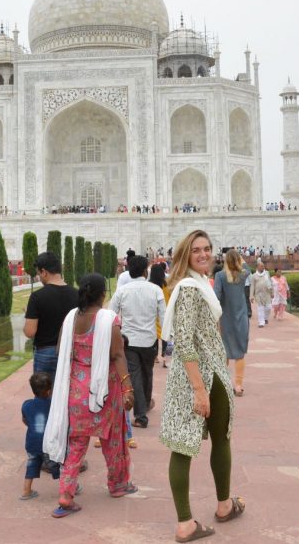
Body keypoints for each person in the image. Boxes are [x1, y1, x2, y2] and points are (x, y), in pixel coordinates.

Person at [160, 230, 244, 542]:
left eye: (207, 248)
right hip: (199, 377)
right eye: (196, 250)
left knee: (190, 444)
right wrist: (198, 388)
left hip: (202, 375)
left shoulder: (199, 284)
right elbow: (183, 341)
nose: (204, 254)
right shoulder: (191, 289)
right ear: (186, 255)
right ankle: (196, 518)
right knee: (197, 445)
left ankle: (220, 506)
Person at [43, 273, 136, 519]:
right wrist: (128, 388)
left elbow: (61, 350)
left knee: (75, 446)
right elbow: (117, 356)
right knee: (113, 441)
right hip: (104, 390)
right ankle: (117, 485)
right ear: (103, 294)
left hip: (76, 393)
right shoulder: (109, 320)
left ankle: (66, 494)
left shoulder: (71, 319)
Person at [109, 254, 166, 429]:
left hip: (129, 339)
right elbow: (163, 317)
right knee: (147, 372)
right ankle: (143, 409)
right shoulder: (155, 290)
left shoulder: (122, 291)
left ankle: (142, 413)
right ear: (144, 271)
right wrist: (167, 339)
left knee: (136, 375)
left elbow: (111, 314)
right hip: (149, 339)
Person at [23, 251, 79, 377]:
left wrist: (28, 315)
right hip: (69, 350)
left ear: (44, 272)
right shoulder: (77, 294)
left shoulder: (37, 297)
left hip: (45, 353)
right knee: (66, 393)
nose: (39, 277)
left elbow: (29, 331)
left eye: (39, 274)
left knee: (44, 395)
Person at [214, 249, 250, 397]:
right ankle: (239, 385)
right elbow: (246, 267)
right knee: (240, 353)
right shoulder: (243, 274)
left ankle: (223, 384)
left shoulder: (220, 276)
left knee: (225, 352)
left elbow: (216, 296)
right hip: (241, 317)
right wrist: (240, 259)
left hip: (225, 318)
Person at [21, 371, 59, 500]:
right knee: (57, 465)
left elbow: (25, 420)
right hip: (48, 444)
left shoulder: (26, 405)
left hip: (32, 443)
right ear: (48, 391)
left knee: (32, 464)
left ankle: (26, 491)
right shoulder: (52, 405)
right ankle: (71, 487)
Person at [149, 262, 171, 367]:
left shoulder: (149, 286)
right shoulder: (166, 285)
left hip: (153, 314)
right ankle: (164, 357)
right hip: (164, 314)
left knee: (154, 337)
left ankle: (154, 357)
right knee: (164, 335)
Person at [249, 260, 273, 328]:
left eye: (263, 266)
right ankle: (261, 322)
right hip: (258, 294)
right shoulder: (254, 276)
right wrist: (251, 296)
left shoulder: (267, 273)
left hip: (267, 293)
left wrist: (272, 292)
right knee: (260, 308)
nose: (263, 267)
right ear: (257, 267)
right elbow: (252, 286)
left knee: (268, 307)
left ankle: (265, 318)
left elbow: (270, 283)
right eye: (261, 266)